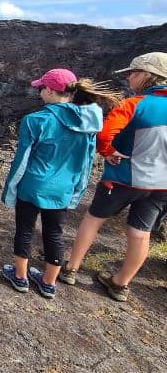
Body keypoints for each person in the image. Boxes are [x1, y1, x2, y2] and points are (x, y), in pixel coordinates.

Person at [0, 69, 122, 299]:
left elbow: (22, 160)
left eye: (40, 88)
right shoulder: (89, 125)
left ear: (48, 90)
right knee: (54, 233)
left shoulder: (36, 120)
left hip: (32, 185)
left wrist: (10, 189)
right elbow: (87, 161)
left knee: (25, 230)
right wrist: (78, 190)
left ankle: (20, 277)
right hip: (63, 189)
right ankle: (48, 283)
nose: (39, 93)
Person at [59, 52, 167, 302]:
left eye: (133, 73)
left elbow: (104, 133)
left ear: (148, 76)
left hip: (123, 178)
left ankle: (71, 268)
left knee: (94, 219)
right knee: (141, 233)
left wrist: (108, 152)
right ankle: (120, 284)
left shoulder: (134, 104)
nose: (129, 77)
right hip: (162, 186)